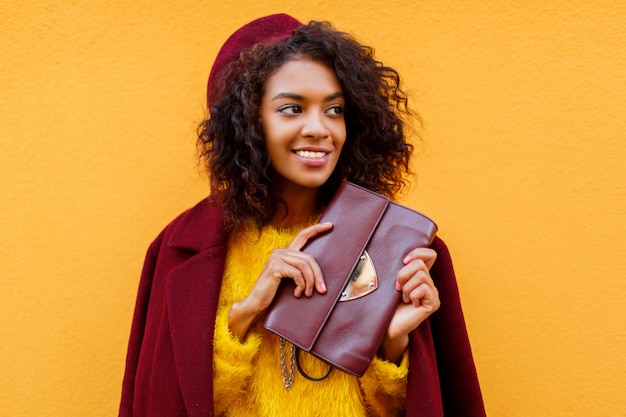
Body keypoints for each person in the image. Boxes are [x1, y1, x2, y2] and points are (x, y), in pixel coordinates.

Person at [118, 13, 486, 417]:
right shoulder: (180, 250)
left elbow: (425, 406)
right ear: (246, 122)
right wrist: (244, 315)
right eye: (292, 109)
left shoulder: (396, 247)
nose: (319, 128)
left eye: (334, 110)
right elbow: (170, 404)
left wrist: (391, 344)